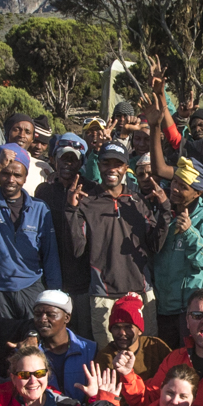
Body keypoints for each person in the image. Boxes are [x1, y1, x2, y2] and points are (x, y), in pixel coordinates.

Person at [69, 142, 164, 345]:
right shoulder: (86, 202)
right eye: (106, 163)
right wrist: (70, 211)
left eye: (118, 164)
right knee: (108, 360)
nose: (112, 169)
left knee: (146, 359)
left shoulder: (138, 201)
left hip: (141, 293)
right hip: (103, 294)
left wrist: (164, 210)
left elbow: (155, 246)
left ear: (125, 167)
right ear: (99, 165)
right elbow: (78, 250)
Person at [0, 144, 61, 320]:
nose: (11, 179)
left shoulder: (39, 208)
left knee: (33, 341)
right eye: (5, 174)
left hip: (31, 287)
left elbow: (50, 254)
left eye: (17, 175)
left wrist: (54, 294)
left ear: (25, 178)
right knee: (1, 344)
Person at [155, 156, 203, 341]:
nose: (175, 188)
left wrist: (190, 233)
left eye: (183, 186)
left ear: (197, 193)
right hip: (164, 308)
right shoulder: (164, 211)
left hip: (191, 311)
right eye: (175, 181)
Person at [36, 134, 92, 319]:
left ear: (81, 163)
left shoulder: (92, 191)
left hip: (82, 280)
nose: (67, 164)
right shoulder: (44, 191)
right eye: (63, 158)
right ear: (54, 160)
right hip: (50, 276)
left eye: (73, 159)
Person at [31, 289, 97, 403]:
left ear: (67, 317)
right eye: (38, 315)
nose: (42, 319)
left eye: (51, 315)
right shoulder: (30, 352)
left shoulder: (89, 350)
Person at [95, 293, 171, 382]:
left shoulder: (155, 346)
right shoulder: (105, 357)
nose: (122, 333)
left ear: (139, 330)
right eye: (116, 327)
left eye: (128, 327)